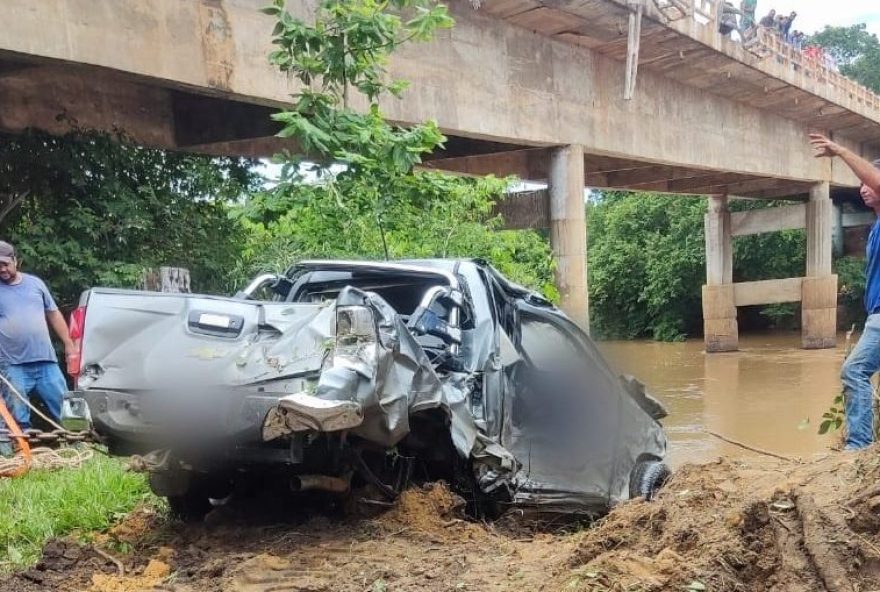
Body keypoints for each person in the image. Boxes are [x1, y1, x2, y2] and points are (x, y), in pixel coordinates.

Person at [811, 135, 880, 449]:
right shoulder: (875, 228)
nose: (863, 187)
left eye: (867, 182)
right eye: (861, 184)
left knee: (854, 371)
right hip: (874, 315)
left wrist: (839, 150)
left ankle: (858, 447)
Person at [0, 241, 74, 431]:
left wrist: (68, 343)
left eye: (5, 264)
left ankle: (77, 444)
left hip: (45, 361)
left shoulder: (35, 284)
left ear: (16, 261)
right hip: (12, 364)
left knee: (65, 407)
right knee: (17, 415)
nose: (2, 269)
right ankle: (21, 452)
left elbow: (54, 313)